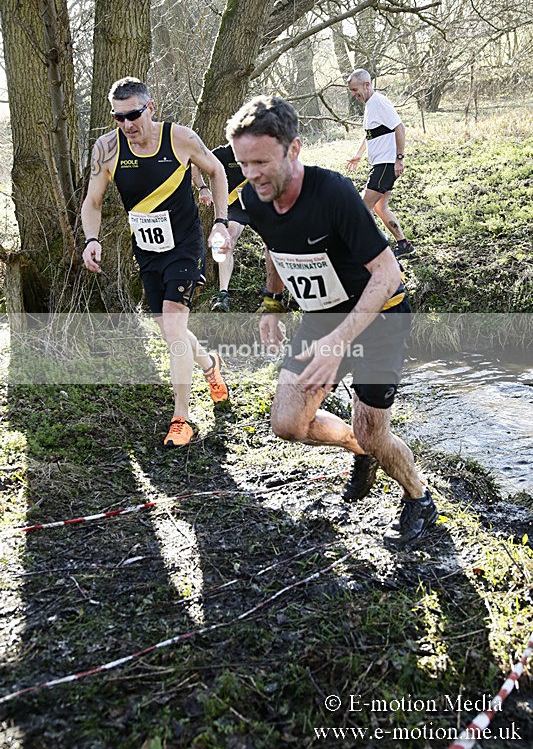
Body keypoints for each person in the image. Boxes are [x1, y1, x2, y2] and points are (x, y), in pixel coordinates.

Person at [222, 95, 438, 548]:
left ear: (294, 149)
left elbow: (388, 273)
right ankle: (362, 451)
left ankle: (418, 496)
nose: (253, 173)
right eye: (244, 164)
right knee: (287, 423)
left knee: (373, 428)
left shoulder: (334, 193)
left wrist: (341, 339)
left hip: (378, 317)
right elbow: (273, 243)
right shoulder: (255, 195)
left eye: (262, 161)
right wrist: (272, 302)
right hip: (322, 320)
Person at [81, 77, 230, 447]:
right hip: (147, 249)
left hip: (184, 243)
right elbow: (93, 201)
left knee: (174, 324)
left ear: (150, 107)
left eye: (133, 114)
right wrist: (91, 240)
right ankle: (210, 365)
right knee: (171, 331)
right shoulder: (108, 148)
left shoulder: (179, 138)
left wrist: (222, 223)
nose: (127, 124)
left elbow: (217, 171)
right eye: (119, 117)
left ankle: (182, 417)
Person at [193, 144, 285, 314]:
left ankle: (274, 296)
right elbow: (195, 164)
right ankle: (223, 295)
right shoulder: (222, 153)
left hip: (262, 205)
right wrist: (202, 187)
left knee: (274, 244)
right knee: (227, 237)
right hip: (235, 207)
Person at [346, 69, 415, 260]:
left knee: (363, 207)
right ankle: (404, 244)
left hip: (386, 164)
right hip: (380, 164)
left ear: (367, 85)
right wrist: (359, 155)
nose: (354, 95)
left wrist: (399, 158)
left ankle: (376, 248)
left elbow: (399, 128)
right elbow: (371, 134)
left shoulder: (379, 102)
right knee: (380, 207)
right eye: (351, 91)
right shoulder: (370, 105)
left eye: (355, 90)